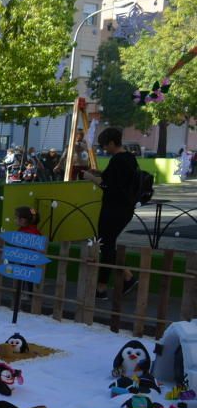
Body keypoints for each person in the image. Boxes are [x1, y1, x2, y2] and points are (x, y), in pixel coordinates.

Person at [84, 127, 138, 300]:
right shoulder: (129, 158)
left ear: (113, 143)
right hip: (124, 209)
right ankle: (124, 278)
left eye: (105, 145)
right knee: (108, 245)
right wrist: (99, 174)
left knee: (105, 245)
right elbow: (116, 180)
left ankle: (103, 287)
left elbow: (108, 185)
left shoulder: (118, 160)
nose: (104, 149)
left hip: (113, 209)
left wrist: (91, 178)